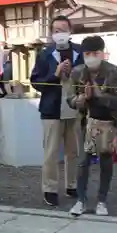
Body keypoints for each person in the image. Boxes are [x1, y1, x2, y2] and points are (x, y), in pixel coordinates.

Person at [67, 36, 117, 216]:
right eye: (87, 53)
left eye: (95, 53)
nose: (91, 56)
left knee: (106, 161)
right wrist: (82, 99)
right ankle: (81, 200)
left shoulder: (113, 71)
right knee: (83, 162)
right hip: (86, 121)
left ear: (102, 52)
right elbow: (69, 99)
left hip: (108, 121)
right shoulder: (77, 72)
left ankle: (102, 200)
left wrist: (100, 95)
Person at [30, 15, 84, 207]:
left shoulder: (80, 51)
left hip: (75, 106)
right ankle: (50, 188)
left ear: (71, 31)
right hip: (51, 108)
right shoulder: (45, 54)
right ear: (52, 33)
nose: (60, 33)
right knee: (51, 151)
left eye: (63, 29)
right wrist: (55, 74)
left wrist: (73, 73)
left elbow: (87, 78)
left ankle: (72, 184)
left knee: (73, 150)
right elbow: (35, 81)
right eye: (56, 30)